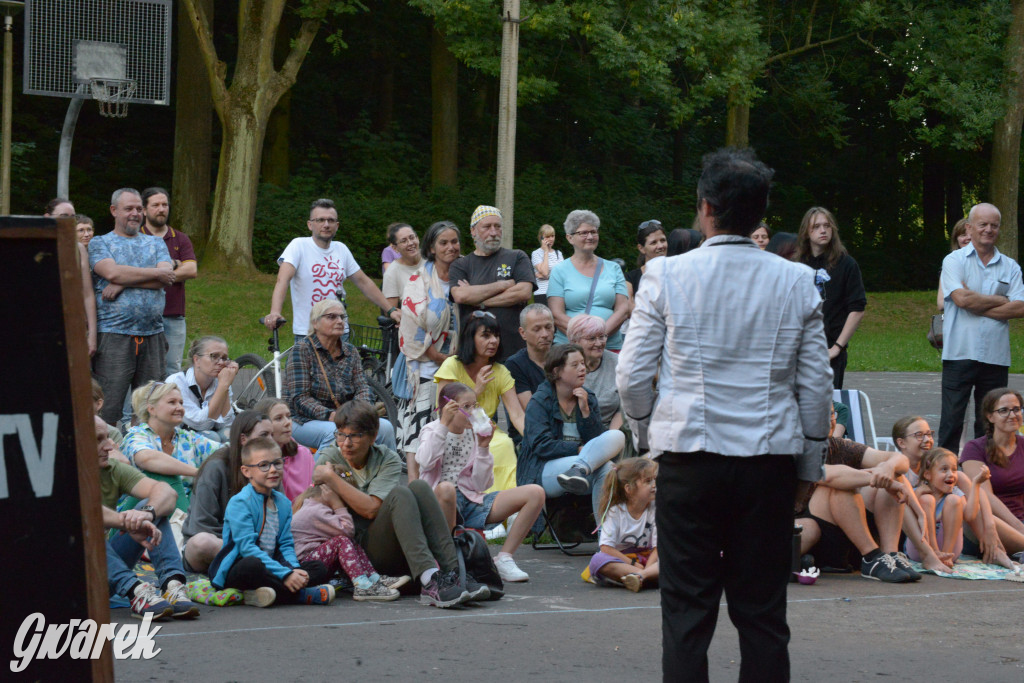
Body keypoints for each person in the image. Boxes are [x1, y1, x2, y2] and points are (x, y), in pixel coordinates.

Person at [618, 147, 833, 681]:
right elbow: (815, 387)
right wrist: (809, 467)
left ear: (706, 208)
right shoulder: (795, 279)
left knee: (686, 613)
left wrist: (649, 432)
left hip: (689, 458)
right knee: (762, 615)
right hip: (766, 463)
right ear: (760, 214)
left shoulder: (665, 273)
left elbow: (631, 376)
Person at [313, 400, 487, 608]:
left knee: (420, 487)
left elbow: (370, 508)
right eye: (341, 435)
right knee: (399, 494)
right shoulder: (330, 455)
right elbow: (368, 511)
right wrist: (330, 477)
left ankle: (455, 574)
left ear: (373, 437)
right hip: (358, 554)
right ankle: (430, 580)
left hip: (389, 541)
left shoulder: (388, 458)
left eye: (355, 436)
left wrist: (333, 478)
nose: (346, 443)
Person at [416, 382, 545, 583]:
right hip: (439, 502)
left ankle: (504, 558)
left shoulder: (473, 435)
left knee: (535, 492)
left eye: (474, 405)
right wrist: (443, 424)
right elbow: (424, 461)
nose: (473, 411)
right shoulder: (432, 429)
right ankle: (450, 561)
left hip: (470, 500)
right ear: (449, 408)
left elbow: (482, 485)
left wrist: (484, 448)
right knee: (447, 488)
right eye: (466, 407)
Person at [794, 409, 923, 583]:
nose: (828, 420)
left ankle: (889, 555)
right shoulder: (791, 451)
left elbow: (900, 460)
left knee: (892, 473)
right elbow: (831, 476)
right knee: (838, 488)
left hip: (842, 534)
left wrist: (888, 467)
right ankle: (871, 556)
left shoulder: (839, 446)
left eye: (831, 414)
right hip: (802, 530)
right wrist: (881, 478)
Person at [208, 437, 336, 607]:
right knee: (252, 565)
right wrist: (285, 574)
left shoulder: (282, 503)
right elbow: (247, 548)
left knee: (318, 568)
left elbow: (286, 544)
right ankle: (300, 595)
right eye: (263, 465)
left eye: (277, 463)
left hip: (272, 567)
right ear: (247, 471)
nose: (273, 470)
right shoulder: (240, 502)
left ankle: (263, 593)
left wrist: (293, 570)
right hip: (240, 567)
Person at [95, 415, 200, 620]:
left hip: (105, 570)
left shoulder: (111, 468)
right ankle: (134, 589)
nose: (109, 446)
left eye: (107, 437)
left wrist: (146, 514)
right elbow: (83, 512)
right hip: (70, 583)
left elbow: (167, 492)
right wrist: (127, 521)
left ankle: (171, 584)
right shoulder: (58, 473)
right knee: (83, 529)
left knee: (152, 508)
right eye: (98, 439)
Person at [937, 204, 1024, 451]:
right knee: (952, 420)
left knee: (990, 423)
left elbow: (1021, 307)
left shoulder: (1010, 266)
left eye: (993, 225)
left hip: (995, 356)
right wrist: (1001, 300)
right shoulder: (954, 261)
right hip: (959, 352)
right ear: (969, 228)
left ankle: (987, 476)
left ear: (999, 229)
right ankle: (944, 475)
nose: (988, 230)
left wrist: (975, 302)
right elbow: (961, 300)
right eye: (982, 225)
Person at [89, 188, 174, 426]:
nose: (135, 213)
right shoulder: (100, 243)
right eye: (129, 209)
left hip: (153, 335)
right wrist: (151, 274)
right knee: (108, 407)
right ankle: (104, 457)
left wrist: (121, 284)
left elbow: (168, 277)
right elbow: (111, 271)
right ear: (114, 211)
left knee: (150, 409)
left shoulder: (156, 243)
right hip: (114, 335)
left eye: (138, 208)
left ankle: (144, 458)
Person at [891, 414, 1020, 569]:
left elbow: (979, 499)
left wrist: (990, 526)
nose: (927, 440)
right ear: (901, 442)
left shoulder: (939, 467)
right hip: (909, 535)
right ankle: (932, 553)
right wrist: (917, 493)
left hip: (948, 534)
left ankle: (995, 552)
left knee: (960, 487)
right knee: (929, 499)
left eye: (929, 434)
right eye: (919, 435)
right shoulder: (899, 470)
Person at [264, 198, 401, 337]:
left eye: (331, 220)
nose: (326, 224)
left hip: (339, 331)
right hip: (309, 332)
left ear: (337, 225)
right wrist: (275, 312)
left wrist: (390, 310)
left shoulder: (341, 249)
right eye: (320, 220)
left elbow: (364, 282)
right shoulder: (298, 246)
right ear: (310, 225)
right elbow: (283, 280)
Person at [521, 344, 624, 517]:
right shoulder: (540, 401)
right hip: (543, 470)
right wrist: (577, 450)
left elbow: (598, 442)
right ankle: (579, 468)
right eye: (575, 365)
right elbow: (541, 446)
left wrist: (586, 413)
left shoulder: (587, 398)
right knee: (606, 467)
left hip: (578, 472)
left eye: (583, 363)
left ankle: (605, 538)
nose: (583, 368)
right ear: (556, 372)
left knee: (616, 439)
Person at [283, 298, 397, 452]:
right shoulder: (302, 350)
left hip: (345, 419)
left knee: (385, 428)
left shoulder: (350, 351)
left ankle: (383, 475)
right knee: (335, 434)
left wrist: (357, 413)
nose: (339, 321)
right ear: (315, 323)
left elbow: (363, 388)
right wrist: (334, 416)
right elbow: (300, 399)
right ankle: (315, 476)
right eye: (332, 317)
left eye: (342, 317)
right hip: (301, 420)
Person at [397, 220, 461, 476]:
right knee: (418, 429)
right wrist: (437, 355)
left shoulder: (465, 275)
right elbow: (410, 325)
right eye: (443, 243)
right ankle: (414, 484)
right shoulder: (419, 280)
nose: (451, 247)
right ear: (432, 248)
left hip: (457, 365)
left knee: (446, 429)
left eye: (454, 242)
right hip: (424, 365)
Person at [434, 312, 525, 493]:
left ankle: (506, 508)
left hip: (485, 429)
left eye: (496, 335)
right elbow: (442, 412)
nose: (493, 341)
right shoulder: (452, 365)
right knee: (493, 447)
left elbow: (517, 414)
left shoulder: (500, 371)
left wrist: (535, 438)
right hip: (455, 430)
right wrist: (476, 391)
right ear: (470, 338)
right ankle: (484, 506)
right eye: (485, 335)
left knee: (504, 444)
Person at [181, 410, 274, 574]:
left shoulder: (271, 468)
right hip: (218, 546)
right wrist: (243, 541)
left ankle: (251, 576)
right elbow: (200, 526)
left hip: (255, 546)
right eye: (264, 435)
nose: (271, 441)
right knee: (202, 543)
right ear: (244, 439)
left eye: (272, 435)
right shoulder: (215, 467)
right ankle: (257, 569)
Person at [291, 483, 408, 601]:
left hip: (313, 564)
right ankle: (362, 586)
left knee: (349, 542)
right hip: (306, 569)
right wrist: (338, 505)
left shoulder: (312, 505)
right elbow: (347, 530)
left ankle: (374, 579)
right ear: (330, 494)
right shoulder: (316, 510)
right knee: (341, 541)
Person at [449, 205, 535, 362]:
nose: (493, 232)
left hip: (513, 352)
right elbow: (460, 295)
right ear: (473, 231)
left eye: (497, 226)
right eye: (487, 227)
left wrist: (479, 301)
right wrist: (502, 285)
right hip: (474, 355)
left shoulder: (517, 257)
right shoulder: (461, 264)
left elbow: (524, 292)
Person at [794, 206, 867, 390]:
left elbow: (857, 309)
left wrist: (837, 347)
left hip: (830, 349)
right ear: (806, 231)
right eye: (816, 226)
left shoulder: (847, 264)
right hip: (799, 350)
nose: (823, 230)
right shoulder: (796, 265)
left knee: (829, 411)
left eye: (827, 225)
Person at [121, 381, 220, 512]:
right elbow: (146, 459)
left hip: (179, 510)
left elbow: (224, 452)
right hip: (136, 516)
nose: (179, 407)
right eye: (172, 402)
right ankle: (189, 529)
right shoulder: (136, 436)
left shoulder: (187, 438)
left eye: (181, 403)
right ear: (152, 409)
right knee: (165, 476)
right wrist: (198, 472)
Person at [547, 209, 629, 351]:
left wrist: (599, 336)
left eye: (594, 232)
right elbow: (557, 315)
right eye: (583, 233)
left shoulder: (614, 268)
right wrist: (586, 337)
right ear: (569, 238)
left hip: (609, 346)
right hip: (570, 348)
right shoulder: (559, 271)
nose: (590, 236)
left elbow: (623, 310)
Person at [140, 187, 198, 376]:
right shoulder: (137, 237)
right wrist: (173, 265)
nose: (161, 209)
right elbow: (130, 270)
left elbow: (191, 269)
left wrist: (156, 274)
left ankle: (171, 405)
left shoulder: (179, 238)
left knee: (172, 369)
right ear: (144, 209)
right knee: (140, 368)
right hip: (142, 315)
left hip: (173, 315)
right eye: (155, 205)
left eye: (164, 205)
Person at [585, 457, 659, 592]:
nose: (654, 485)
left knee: (675, 556)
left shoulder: (656, 508)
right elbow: (606, 547)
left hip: (649, 562)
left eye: (655, 479)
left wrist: (646, 569)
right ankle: (645, 578)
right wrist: (634, 564)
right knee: (597, 560)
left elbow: (659, 548)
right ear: (629, 489)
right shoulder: (616, 511)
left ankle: (640, 578)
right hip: (625, 561)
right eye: (648, 481)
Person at [906, 447, 988, 564]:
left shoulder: (955, 494)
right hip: (920, 551)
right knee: (926, 499)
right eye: (944, 470)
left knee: (954, 500)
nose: (951, 474)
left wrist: (976, 484)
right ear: (928, 474)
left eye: (954, 470)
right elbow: (904, 513)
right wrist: (918, 493)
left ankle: (946, 555)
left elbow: (970, 516)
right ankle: (933, 551)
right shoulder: (918, 491)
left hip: (951, 552)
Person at [961, 388, 1024, 533]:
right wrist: (1019, 527)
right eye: (1004, 410)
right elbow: (985, 497)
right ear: (990, 417)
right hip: (989, 522)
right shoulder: (974, 448)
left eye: (1016, 409)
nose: (1012, 415)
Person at [46, 199, 97, 356]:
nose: (68, 221)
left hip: (74, 324)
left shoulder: (79, 249)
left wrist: (92, 335)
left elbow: (87, 294)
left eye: (72, 217)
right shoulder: (34, 245)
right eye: (63, 216)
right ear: (47, 217)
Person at [167, 335, 237, 442]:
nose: (221, 362)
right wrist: (222, 387)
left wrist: (225, 387)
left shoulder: (221, 381)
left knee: (232, 435)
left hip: (205, 433)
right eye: (214, 356)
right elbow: (200, 424)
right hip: (174, 438)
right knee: (212, 438)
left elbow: (227, 423)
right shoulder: (176, 382)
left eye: (224, 358)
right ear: (197, 360)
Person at [567, 314, 622, 430]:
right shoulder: (564, 365)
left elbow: (624, 407)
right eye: (591, 338)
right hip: (572, 432)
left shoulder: (618, 363)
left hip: (610, 430)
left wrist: (610, 436)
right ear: (575, 341)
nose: (599, 343)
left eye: (602, 337)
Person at [255, 397, 315, 501]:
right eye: (278, 418)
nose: (287, 422)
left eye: (289, 416)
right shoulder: (254, 459)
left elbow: (313, 493)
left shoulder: (304, 454)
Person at [504, 303, 555, 421]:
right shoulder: (515, 365)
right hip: (531, 429)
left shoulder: (563, 356)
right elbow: (532, 410)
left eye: (548, 327)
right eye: (537, 329)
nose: (545, 334)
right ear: (523, 333)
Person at [625, 220, 668, 305]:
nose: (660, 246)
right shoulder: (630, 278)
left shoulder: (676, 272)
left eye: (663, 240)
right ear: (641, 248)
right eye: (653, 243)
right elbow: (628, 306)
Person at [381, 222, 422, 309]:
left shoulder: (433, 258)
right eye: (404, 241)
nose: (410, 243)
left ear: (417, 238)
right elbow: (391, 310)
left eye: (412, 237)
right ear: (395, 248)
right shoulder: (391, 273)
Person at [936, 218, 970, 311]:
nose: (968, 238)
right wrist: (963, 297)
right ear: (956, 239)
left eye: (971, 235)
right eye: (963, 235)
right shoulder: (950, 265)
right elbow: (941, 303)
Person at [531, 224, 564, 306]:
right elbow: (545, 272)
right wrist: (546, 251)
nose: (551, 239)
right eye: (547, 236)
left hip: (557, 293)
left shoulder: (558, 254)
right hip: (541, 293)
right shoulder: (536, 253)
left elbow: (562, 275)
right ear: (541, 237)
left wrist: (546, 277)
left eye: (552, 236)